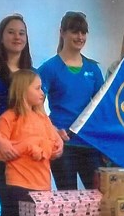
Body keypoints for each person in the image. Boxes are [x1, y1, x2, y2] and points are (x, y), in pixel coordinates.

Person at [38, 11, 104, 190]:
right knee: (67, 200)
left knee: (99, 197)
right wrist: (52, 130)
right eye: (75, 32)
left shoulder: (93, 69)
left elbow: (103, 107)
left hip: (89, 144)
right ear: (62, 32)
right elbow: (35, 106)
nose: (80, 37)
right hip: (63, 144)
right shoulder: (48, 68)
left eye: (83, 32)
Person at [0, 14, 34, 216]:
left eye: (21, 33)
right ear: (1, 37)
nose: (17, 37)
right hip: (0, 147)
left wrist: (54, 135)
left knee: (25, 206)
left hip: (26, 149)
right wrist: (0, 141)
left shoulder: (32, 72)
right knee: (10, 204)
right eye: (11, 32)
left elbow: (38, 112)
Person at [0, 70, 63, 216]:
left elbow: (53, 149)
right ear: (23, 90)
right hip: (18, 185)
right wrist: (27, 145)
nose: (42, 93)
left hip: (43, 187)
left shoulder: (43, 119)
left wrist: (51, 148)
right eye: (38, 88)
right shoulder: (8, 118)